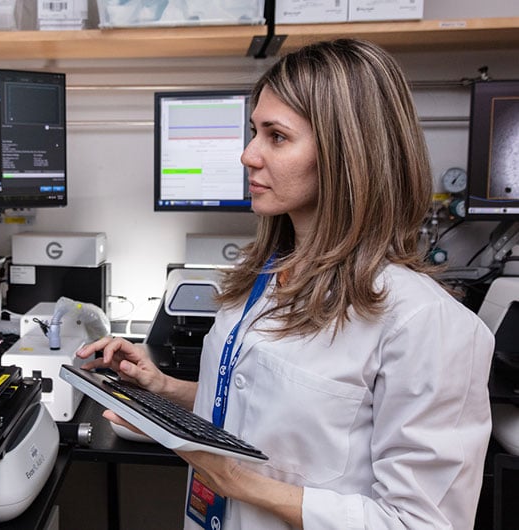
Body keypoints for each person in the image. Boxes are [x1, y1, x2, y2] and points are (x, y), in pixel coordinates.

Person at [77, 38, 495, 529]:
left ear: (346, 154)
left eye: (276, 136)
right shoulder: (267, 279)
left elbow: (422, 522)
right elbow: (270, 410)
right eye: (255, 132)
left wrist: (238, 481)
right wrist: (165, 389)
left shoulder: (427, 324)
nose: (247, 155)